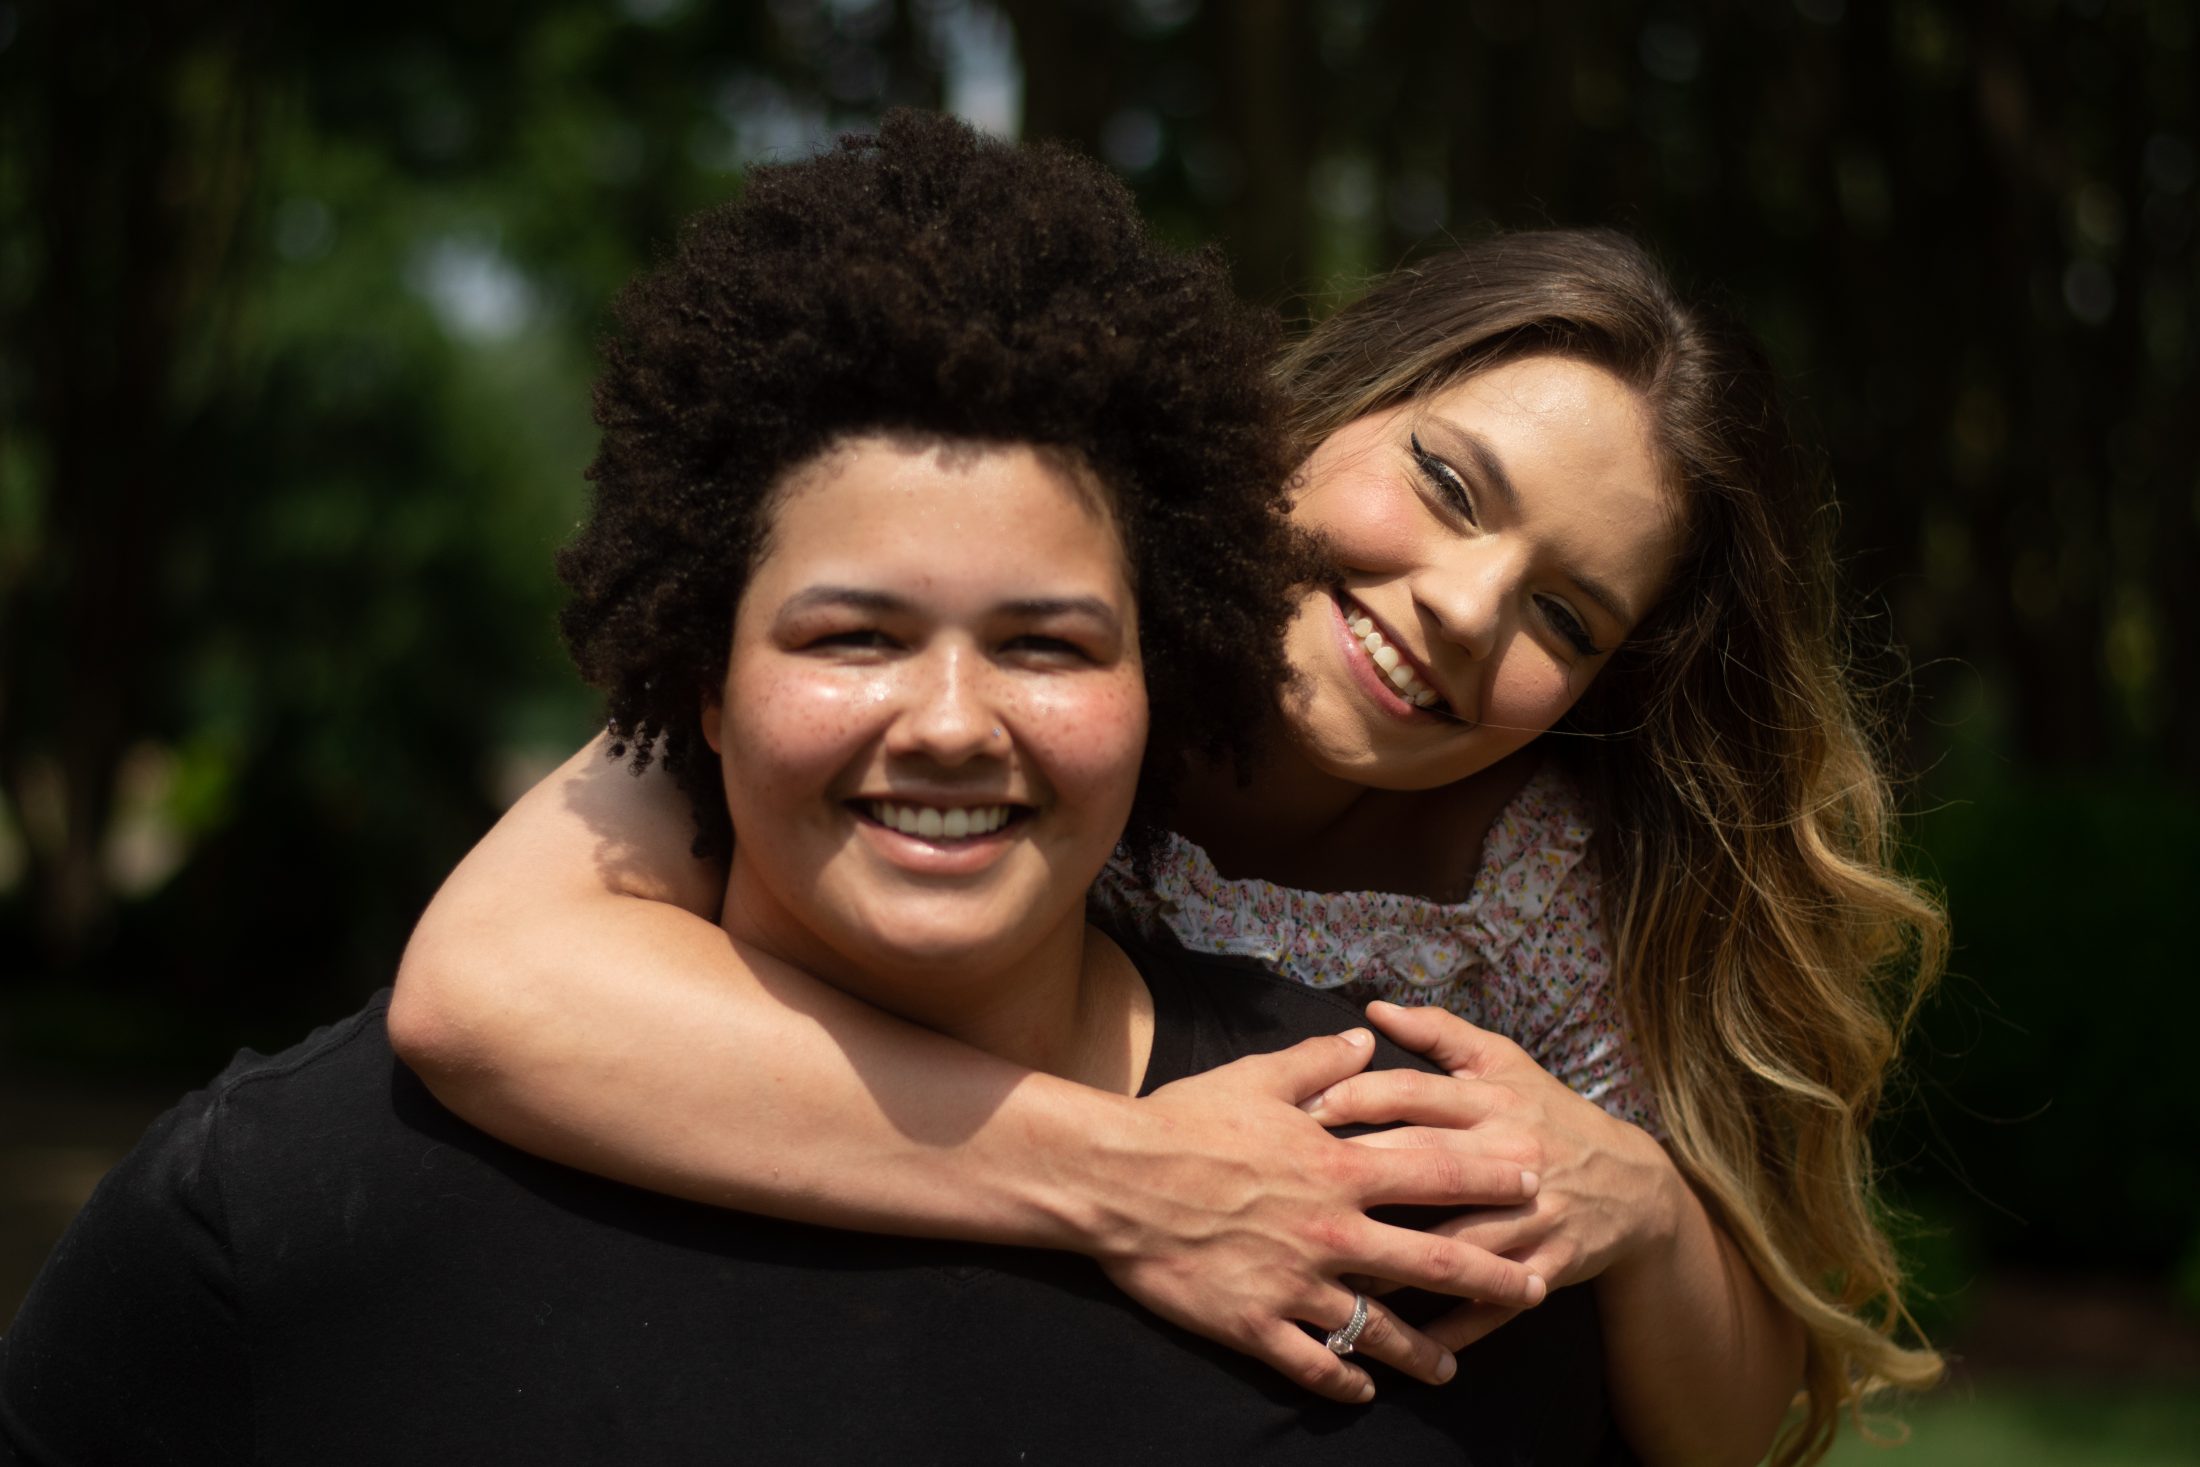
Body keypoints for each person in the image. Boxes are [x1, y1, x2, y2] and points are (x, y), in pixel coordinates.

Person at [0, 113, 1618, 1465]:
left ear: (1165, 679)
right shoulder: (288, 1212)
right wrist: (1124, 1181)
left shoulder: (1387, 1201)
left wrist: (1660, 1210)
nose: (951, 723)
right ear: (699, 680)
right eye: (853, 636)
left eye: (1047, 645)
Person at [388, 149, 1947, 1467]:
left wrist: (1649, 1207)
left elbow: (1722, 1435)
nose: (1468, 608)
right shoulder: (1011, 609)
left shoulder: (1558, 884)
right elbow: (488, 992)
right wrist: (1130, 1181)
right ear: (1328, 408)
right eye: (1449, 486)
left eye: (1563, 616)